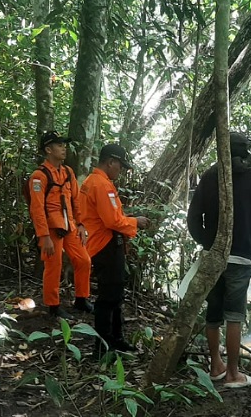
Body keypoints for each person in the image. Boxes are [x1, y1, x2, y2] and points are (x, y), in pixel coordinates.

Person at [187, 132, 251, 388]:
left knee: (214, 312)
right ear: (245, 152)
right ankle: (233, 373)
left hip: (214, 255)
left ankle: (215, 366)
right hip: (241, 257)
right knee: (235, 315)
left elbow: (193, 219)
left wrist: (207, 244)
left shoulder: (210, 177)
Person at [80, 143, 150, 352]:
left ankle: (116, 340)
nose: (121, 171)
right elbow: (112, 221)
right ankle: (103, 346)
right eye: (120, 165)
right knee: (109, 297)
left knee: (114, 293)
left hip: (100, 244)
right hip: (105, 245)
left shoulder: (92, 182)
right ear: (110, 162)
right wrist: (135, 222)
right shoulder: (101, 185)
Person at [28, 131, 93, 320]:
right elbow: (37, 209)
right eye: (59, 145)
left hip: (70, 226)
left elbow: (76, 200)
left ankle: (81, 298)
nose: (64, 148)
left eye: (64, 144)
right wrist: (44, 236)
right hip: (51, 230)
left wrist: (80, 224)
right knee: (53, 266)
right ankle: (53, 306)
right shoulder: (39, 177)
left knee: (83, 260)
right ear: (48, 150)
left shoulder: (68, 172)